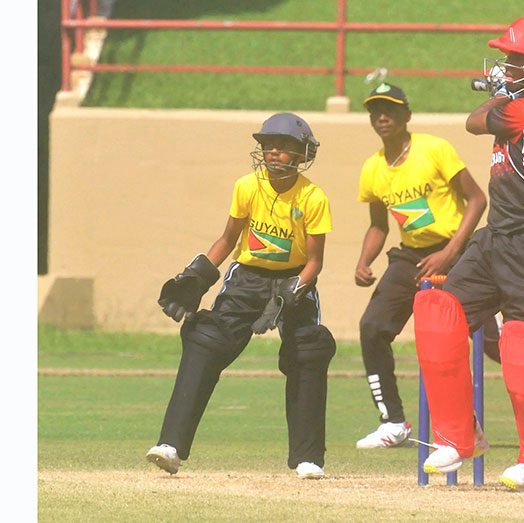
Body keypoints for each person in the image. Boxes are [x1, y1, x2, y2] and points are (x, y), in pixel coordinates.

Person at [412, 15, 524, 491]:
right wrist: (514, 87)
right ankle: (459, 434)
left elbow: (474, 122)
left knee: (520, 344)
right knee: (437, 310)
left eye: (516, 59)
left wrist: (506, 92)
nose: (507, 65)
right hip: (497, 237)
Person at [145, 113, 336, 480]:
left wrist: (292, 293)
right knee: (205, 342)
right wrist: (195, 275)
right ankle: (170, 446)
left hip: (295, 280)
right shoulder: (247, 186)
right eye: (268, 145)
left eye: (283, 146)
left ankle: (308, 458)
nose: (274, 152)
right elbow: (228, 240)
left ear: (302, 153)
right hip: (247, 276)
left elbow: (315, 262)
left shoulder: (313, 196)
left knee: (308, 352)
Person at [353, 82, 488, 449]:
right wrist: (364, 262)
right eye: (375, 111)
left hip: (456, 251)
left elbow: (477, 200)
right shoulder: (373, 168)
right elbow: (379, 225)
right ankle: (393, 422)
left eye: (391, 110)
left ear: (406, 115)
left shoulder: (434, 149)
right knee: (373, 326)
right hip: (412, 256)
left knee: (485, 340)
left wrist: (450, 253)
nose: (383, 117)